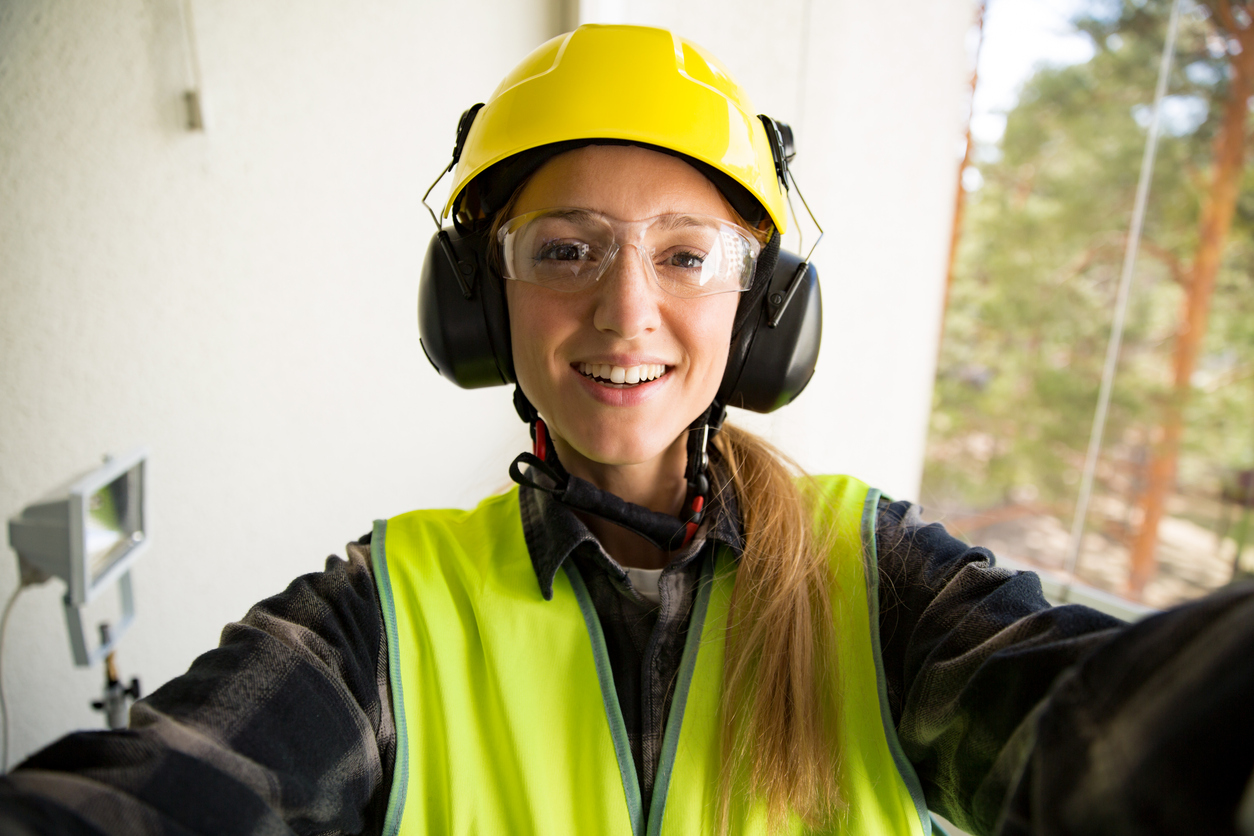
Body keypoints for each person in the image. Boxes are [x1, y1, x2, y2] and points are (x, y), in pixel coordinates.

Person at [2, 23, 1253, 836]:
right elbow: (163, 793)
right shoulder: (388, 609)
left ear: (762, 309)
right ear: (483, 303)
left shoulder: (881, 580)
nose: (626, 309)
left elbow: (1098, 727)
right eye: (565, 250)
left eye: (687, 254)